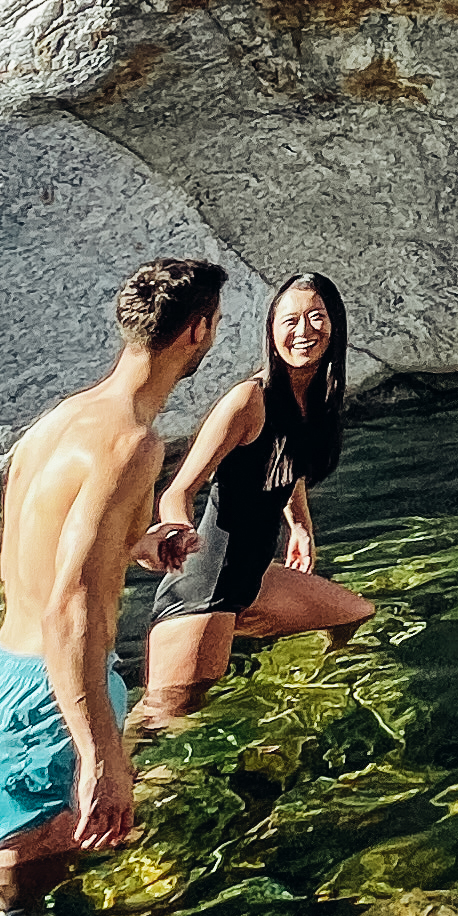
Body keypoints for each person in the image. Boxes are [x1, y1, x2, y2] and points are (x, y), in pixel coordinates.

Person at [0, 253, 227, 906]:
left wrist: (140, 544)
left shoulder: (60, 422)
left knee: (24, 911)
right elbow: (69, 607)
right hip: (47, 699)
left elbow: (30, 556)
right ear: (198, 332)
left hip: (0, 680)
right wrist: (101, 758)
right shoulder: (132, 444)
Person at [143, 270, 375, 722]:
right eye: (290, 321)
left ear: (335, 325)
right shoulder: (248, 400)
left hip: (252, 579)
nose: (304, 332)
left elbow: (288, 466)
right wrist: (177, 530)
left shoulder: (317, 398)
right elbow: (178, 490)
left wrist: (301, 527)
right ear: (271, 330)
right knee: (163, 735)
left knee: (354, 614)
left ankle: (300, 702)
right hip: (205, 590)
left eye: (316, 317)